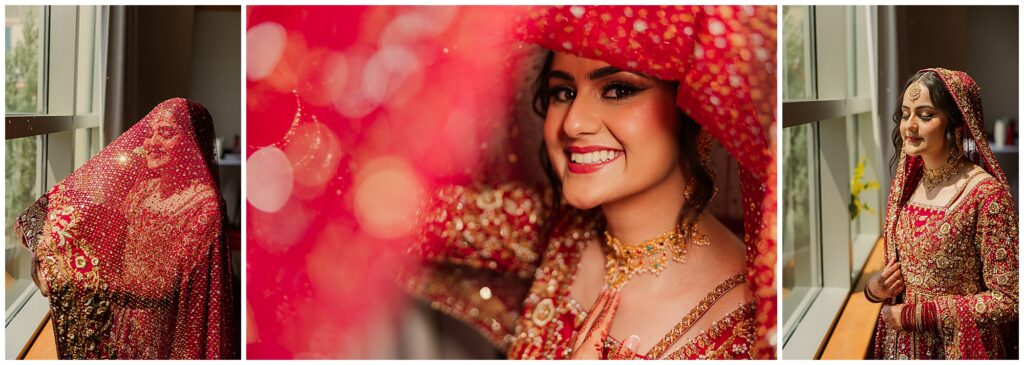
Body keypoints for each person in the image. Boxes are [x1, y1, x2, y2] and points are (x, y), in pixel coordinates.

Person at [399, 6, 777, 359]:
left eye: (618, 90)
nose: (573, 123)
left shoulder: (749, 327)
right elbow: (395, 212)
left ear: (695, 114)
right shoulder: (561, 227)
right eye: (563, 92)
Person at [15, 98, 237, 359]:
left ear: (192, 142)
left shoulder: (206, 207)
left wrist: (68, 279)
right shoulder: (145, 189)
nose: (151, 143)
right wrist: (47, 244)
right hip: (123, 322)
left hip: (166, 333)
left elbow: (161, 287)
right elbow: (97, 228)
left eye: (165, 133)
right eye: (149, 133)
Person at [866, 68, 1018, 359]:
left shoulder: (985, 195)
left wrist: (916, 316)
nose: (910, 125)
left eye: (925, 115)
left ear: (957, 122)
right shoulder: (908, 184)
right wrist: (875, 288)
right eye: (905, 113)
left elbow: (1010, 299)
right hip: (899, 347)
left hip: (955, 350)